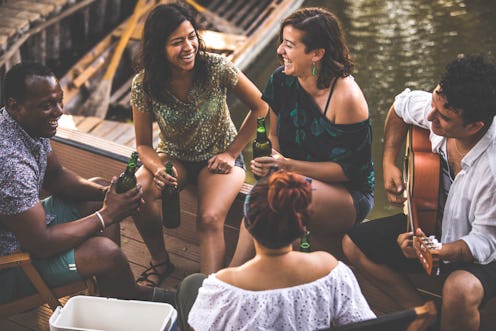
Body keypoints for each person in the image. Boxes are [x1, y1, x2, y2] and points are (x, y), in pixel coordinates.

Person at [343, 55, 496, 331]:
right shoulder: (441, 106)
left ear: (475, 127)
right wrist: (389, 161)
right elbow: (401, 108)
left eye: (444, 117)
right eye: (435, 102)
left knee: (459, 289)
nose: (429, 117)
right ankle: (425, 313)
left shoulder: (492, 170)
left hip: (486, 246)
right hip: (435, 225)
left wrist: (438, 251)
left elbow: (484, 241)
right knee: (353, 244)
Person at [0, 62, 173, 304]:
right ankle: (125, 294)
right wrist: (107, 214)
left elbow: (56, 176)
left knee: (97, 192)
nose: (59, 111)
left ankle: (112, 288)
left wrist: (106, 194)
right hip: (12, 266)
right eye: (47, 105)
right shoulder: (11, 166)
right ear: (15, 106)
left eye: (59, 100)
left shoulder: (24, 125)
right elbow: (41, 244)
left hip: (25, 231)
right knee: (106, 253)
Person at [130, 3, 268, 285]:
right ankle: (160, 262)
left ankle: (210, 292)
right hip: (174, 158)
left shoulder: (217, 67)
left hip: (219, 157)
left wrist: (232, 152)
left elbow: (263, 106)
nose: (188, 47)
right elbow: (143, 145)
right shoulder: (144, 83)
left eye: (191, 37)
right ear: (158, 47)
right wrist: (157, 168)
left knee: (208, 219)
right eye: (177, 42)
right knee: (136, 192)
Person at [229, 7, 374, 265]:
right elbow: (274, 136)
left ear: (317, 53)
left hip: (348, 195)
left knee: (275, 199)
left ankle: (230, 282)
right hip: (291, 179)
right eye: (282, 43)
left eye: (289, 45)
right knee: (262, 199)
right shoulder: (281, 80)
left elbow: (349, 171)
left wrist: (286, 165)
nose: (280, 51)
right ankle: (234, 278)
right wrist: (269, 163)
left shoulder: (347, 98)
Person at [175, 170, 375, 331]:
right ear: (302, 227)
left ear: (249, 224)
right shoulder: (331, 270)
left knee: (192, 284)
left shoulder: (222, 286)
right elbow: (364, 324)